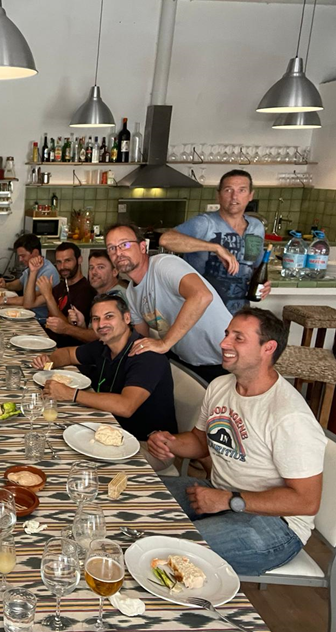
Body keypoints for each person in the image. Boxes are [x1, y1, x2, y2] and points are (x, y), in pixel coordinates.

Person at [148, 308, 326, 575]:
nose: (224, 343)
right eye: (227, 334)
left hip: (277, 526)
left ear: (268, 348)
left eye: (238, 338)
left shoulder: (289, 416)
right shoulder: (220, 386)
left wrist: (230, 500)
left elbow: (306, 501)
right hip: (221, 493)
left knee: (168, 551)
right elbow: (200, 442)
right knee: (139, 498)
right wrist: (168, 442)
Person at [32, 294, 177, 472]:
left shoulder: (146, 356)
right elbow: (67, 354)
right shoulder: (105, 344)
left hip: (148, 445)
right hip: (108, 428)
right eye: (96, 319)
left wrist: (72, 394)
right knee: (53, 439)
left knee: (73, 463)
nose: (101, 324)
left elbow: (126, 406)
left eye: (109, 316)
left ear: (127, 318)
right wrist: (49, 361)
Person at [106, 223, 233, 383]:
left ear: (143, 247)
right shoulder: (131, 293)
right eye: (111, 248)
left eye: (124, 244)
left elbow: (202, 295)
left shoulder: (163, 265)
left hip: (225, 359)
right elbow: (142, 341)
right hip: (189, 363)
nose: (118, 253)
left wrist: (164, 343)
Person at [159, 170, 270, 314]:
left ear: (250, 195)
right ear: (218, 195)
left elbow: (256, 268)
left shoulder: (257, 227)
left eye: (241, 190)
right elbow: (166, 239)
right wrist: (216, 248)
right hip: (201, 311)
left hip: (239, 312)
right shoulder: (205, 223)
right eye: (228, 190)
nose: (234, 196)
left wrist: (265, 286)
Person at [31, 242, 96, 346]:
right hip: (47, 339)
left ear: (79, 260)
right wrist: (33, 272)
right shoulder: (61, 286)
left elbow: (69, 329)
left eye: (67, 261)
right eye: (59, 262)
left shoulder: (86, 291)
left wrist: (48, 296)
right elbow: (29, 303)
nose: (62, 266)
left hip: (64, 347)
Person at [0, 234, 59, 322]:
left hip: (39, 321)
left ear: (35, 253)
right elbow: (20, 283)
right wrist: (6, 285)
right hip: (26, 314)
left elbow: (30, 300)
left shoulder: (48, 271)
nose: (20, 259)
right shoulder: (30, 267)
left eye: (23, 256)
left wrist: (3, 300)